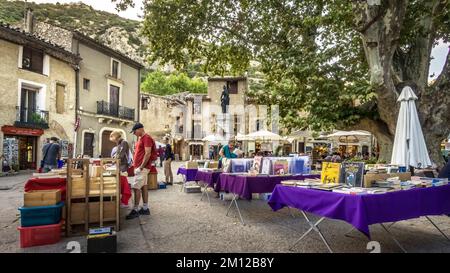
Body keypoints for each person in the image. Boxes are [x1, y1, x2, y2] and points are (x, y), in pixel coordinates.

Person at [127, 123, 158, 220]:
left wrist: (140, 167)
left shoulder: (146, 138)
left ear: (140, 129)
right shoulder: (142, 138)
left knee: (136, 188)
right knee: (144, 187)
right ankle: (145, 208)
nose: (134, 134)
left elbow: (148, 153)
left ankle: (135, 210)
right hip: (142, 167)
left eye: (135, 131)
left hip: (142, 168)